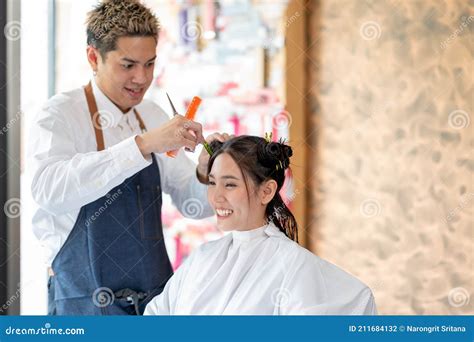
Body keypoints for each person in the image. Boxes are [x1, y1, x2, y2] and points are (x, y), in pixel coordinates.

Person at [27, 0, 229, 315]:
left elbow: (194, 205)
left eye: (150, 64)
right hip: (85, 306)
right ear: (94, 57)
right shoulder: (60, 114)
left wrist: (206, 173)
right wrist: (143, 144)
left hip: (152, 303)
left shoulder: (152, 113)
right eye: (128, 65)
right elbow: (49, 192)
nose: (142, 78)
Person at [144, 136, 377, 315]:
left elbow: (357, 303)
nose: (215, 197)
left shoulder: (292, 265)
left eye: (230, 185)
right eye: (213, 182)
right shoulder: (202, 257)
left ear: (266, 191)